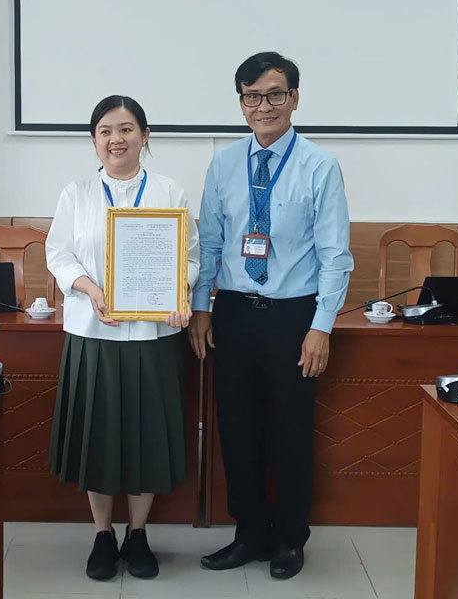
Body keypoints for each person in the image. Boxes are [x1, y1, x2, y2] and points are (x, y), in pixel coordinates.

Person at [189, 52, 353, 580]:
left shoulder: (318, 166)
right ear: (241, 102)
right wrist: (199, 308)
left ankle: (289, 539)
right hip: (234, 313)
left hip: (292, 317)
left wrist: (321, 327)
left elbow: (335, 255)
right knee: (236, 430)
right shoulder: (223, 163)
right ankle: (249, 534)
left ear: (294, 99)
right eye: (252, 95)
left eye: (275, 94)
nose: (264, 105)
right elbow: (210, 242)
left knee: (288, 432)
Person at [46, 95, 199, 581]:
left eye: (127, 129)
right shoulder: (77, 193)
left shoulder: (170, 193)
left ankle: (137, 533)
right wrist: (88, 287)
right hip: (93, 334)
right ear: (94, 140)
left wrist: (182, 290)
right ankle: (102, 534)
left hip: (153, 334)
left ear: (145, 136)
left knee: (145, 437)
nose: (117, 139)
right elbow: (58, 253)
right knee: (99, 437)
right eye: (106, 130)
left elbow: (190, 256)